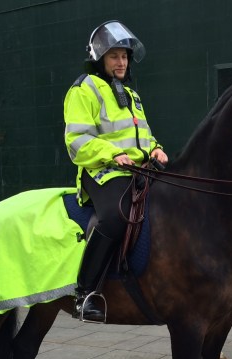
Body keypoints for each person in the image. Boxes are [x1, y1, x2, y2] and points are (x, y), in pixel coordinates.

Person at [64, 20, 168, 321]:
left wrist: (156, 149)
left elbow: (143, 136)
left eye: (124, 56)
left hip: (139, 171)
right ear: (99, 58)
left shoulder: (131, 96)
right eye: (114, 56)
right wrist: (113, 154)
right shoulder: (83, 89)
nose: (121, 62)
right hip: (103, 171)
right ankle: (86, 293)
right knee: (115, 215)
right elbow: (77, 140)